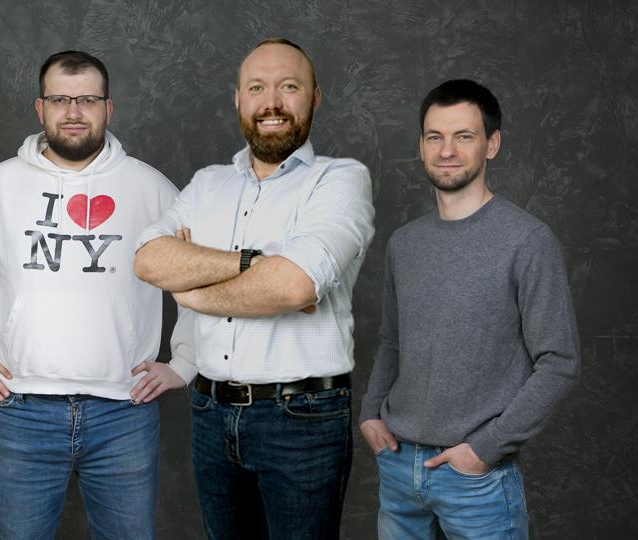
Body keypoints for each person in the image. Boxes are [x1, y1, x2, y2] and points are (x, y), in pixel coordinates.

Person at [0, 50, 193, 540]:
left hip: (124, 411)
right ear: (39, 108)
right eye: (60, 99)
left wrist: (186, 360)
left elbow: (199, 271)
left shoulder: (150, 188)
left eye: (88, 99)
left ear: (108, 109)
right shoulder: (1, 185)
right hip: (22, 410)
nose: (74, 111)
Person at [134, 38, 375, 539]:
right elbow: (148, 259)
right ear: (237, 99)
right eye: (257, 88)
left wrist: (193, 287)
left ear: (314, 98)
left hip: (301, 419)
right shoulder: (208, 183)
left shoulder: (341, 180)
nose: (272, 102)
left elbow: (292, 285)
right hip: (209, 413)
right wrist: (253, 264)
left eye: (289, 87)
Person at [358, 79, 580, 539]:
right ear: (421, 146)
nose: (447, 150)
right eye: (435, 136)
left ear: (492, 144)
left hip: (475, 479)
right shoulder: (405, 243)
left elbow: (559, 362)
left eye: (464, 136)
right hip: (398, 469)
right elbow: (392, 342)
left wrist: (486, 448)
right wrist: (370, 412)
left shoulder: (527, 241)